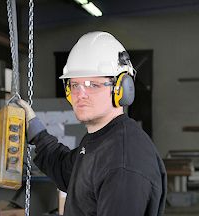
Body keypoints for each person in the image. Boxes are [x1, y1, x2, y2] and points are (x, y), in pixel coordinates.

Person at [18, 31, 167, 216]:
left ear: (122, 89)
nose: (81, 94)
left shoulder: (123, 162)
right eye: (74, 85)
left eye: (93, 84)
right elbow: (68, 172)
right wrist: (36, 132)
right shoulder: (99, 141)